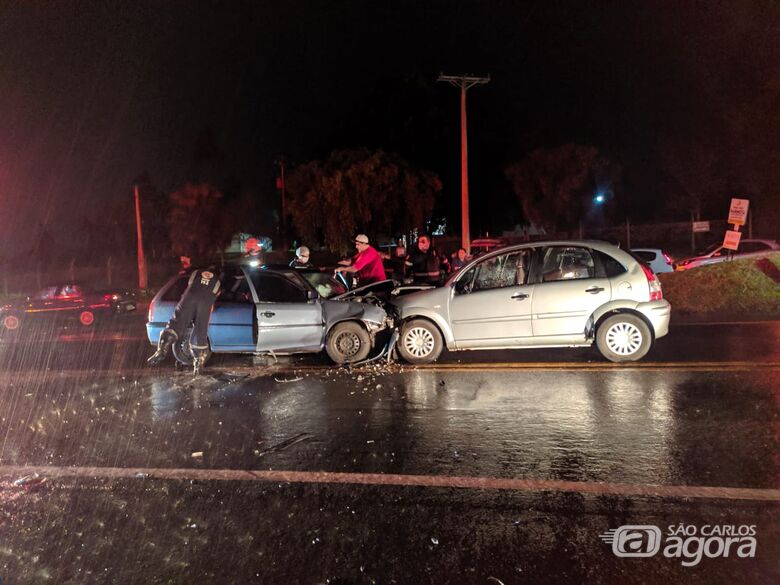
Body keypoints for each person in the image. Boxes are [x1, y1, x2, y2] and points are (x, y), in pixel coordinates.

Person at [147, 265, 222, 375]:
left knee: (176, 323)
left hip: (189, 297)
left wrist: (187, 304)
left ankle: (161, 350)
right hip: (205, 303)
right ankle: (198, 364)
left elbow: (190, 286)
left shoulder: (196, 272)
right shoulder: (218, 281)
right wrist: (203, 315)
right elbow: (212, 300)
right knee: (200, 331)